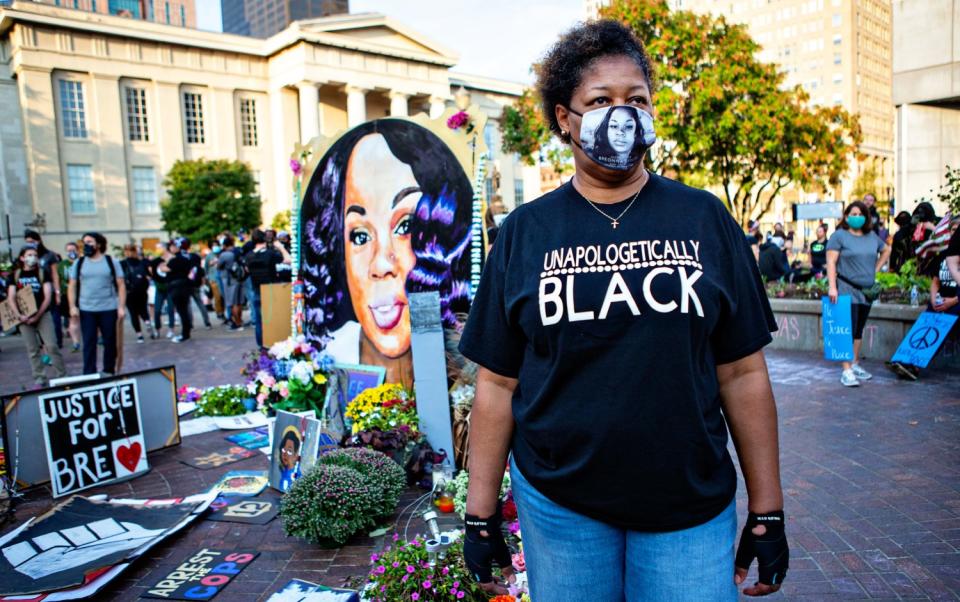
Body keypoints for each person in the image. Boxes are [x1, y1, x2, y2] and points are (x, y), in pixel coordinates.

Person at [459, 21, 786, 600]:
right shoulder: (524, 233)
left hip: (687, 503)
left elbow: (742, 373)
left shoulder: (704, 219)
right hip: (561, 506)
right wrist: (480, 514)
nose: (622, 114)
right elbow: (497, 384)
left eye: (636, 99)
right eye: (600, 101)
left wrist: (769, 512)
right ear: (565, 118)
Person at [301, 119, 475, 386]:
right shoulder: (330, 358)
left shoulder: (467, 373)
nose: (381, 263)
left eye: (406, 225)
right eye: (360, 235)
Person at [826, 201, 891, 387]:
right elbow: (831, 262)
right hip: (846, 289)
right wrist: (832, 287)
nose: (856, 217)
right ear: (846, 216)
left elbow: (886, 249)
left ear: (866, 217)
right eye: (852, 213)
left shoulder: (871, 237)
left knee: (858, 330)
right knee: (847, 329)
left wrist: (875, 269)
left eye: (860, 213)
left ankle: (854, 364)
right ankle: (846, 370)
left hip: (866, 292)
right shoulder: (839, 236)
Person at [889, 217, 960, 381]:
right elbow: (935, 281)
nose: (956, 234)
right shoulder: (943, 255)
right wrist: (934, 298)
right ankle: (903, 359)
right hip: (941, 300)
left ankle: (915, 366)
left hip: (956, 302)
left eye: (959, 230)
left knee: (939, 328)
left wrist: (953, 300)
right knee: (924, 322)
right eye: (953, 230)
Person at [8, 245, 66, 387]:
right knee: (32, 349)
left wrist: (38, 314)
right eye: (29, 254)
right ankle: (39, 377)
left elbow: (47, 296)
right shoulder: (15, 275)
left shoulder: (42, 273)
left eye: (34, 255)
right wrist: (20, 316)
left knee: (52, 345)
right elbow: (11, 297)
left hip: (42, 315)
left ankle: (62, 375)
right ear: (22, 258)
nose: (32, 257)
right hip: (23, 318)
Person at [68, 232, 126, 375]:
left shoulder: (111, 262)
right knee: (88, 342)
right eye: (84, 242)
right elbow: (72, 285)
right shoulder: (79, 263)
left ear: (98, 244)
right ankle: (89, 373)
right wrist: (72, 306)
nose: (86, 245)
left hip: (108, 308)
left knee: (110, 342)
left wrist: (121, 307)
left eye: (89, 241)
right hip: (87, 309)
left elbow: (121, 285)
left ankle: (108, 371)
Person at [244, 229, 291, 349]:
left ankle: (261, 345)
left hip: (256, 290)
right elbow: (289, 260)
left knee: (259, 321)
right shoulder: (269, 254)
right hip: (271, 290)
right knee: (273, 318)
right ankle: (273, 344)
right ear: (264, 239)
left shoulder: (249, 256)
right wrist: (281, 247)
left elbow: (247, 270)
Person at [23, 230, 62, 346]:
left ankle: (56, 341)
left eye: (32, 241)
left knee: (53, 317)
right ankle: (42, 342)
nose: (30, 244)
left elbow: (55, 274)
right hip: (34, 291)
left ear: (38, 241)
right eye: (27, 242)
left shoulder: (49, 255)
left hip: (48, 288)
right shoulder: (26, 255)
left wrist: (58, 292)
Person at [119, 243, 155, 343]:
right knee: (143, 310)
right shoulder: (142, 262)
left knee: (133, 313)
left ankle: (139, 335)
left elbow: (118, 278)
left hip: (129, 291)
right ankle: (147, 323)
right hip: (142, 291)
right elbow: (149, 276)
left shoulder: (122, 263)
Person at [180, 238, 212, 329]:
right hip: (196, 282)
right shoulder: (195, 256)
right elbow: (200, 269)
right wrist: (202, 280)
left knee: (188, 304)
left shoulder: (181, 257)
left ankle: (190, 324)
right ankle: (207, 322)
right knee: (200, 303)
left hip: (187, 283)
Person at [216, 235, 246, 330]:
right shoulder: (238, 251)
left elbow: (219, 266)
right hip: (240, 278)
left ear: (224, 245)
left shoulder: (225, 255)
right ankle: (240, 321)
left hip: (229, 280)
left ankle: (237, 323)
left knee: (232, 303)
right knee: (239, 302)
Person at [150, 241, 178, 338]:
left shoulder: (173, 259)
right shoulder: (155, 261)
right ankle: (157, 329)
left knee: (171, 309)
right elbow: (152, 274)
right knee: (157, 310)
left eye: (159, 247)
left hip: (170, 288)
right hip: (160, 288)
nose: (157, 250)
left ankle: (171, 329)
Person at [59, 241, 82, 351]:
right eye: (69, 250)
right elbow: (58, 279)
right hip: (67, 294)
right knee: (73, 319)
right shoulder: (62, 265)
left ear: (77, 250)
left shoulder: (82, 262)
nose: (71, 252)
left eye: (73, 250)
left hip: (83, 293)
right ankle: (76, 342)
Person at [277, 427, 303, 492]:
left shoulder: (296, 473)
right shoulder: (284, 470)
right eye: (283, 449)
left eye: (289, 451)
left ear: (296, 455)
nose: (285, 454)